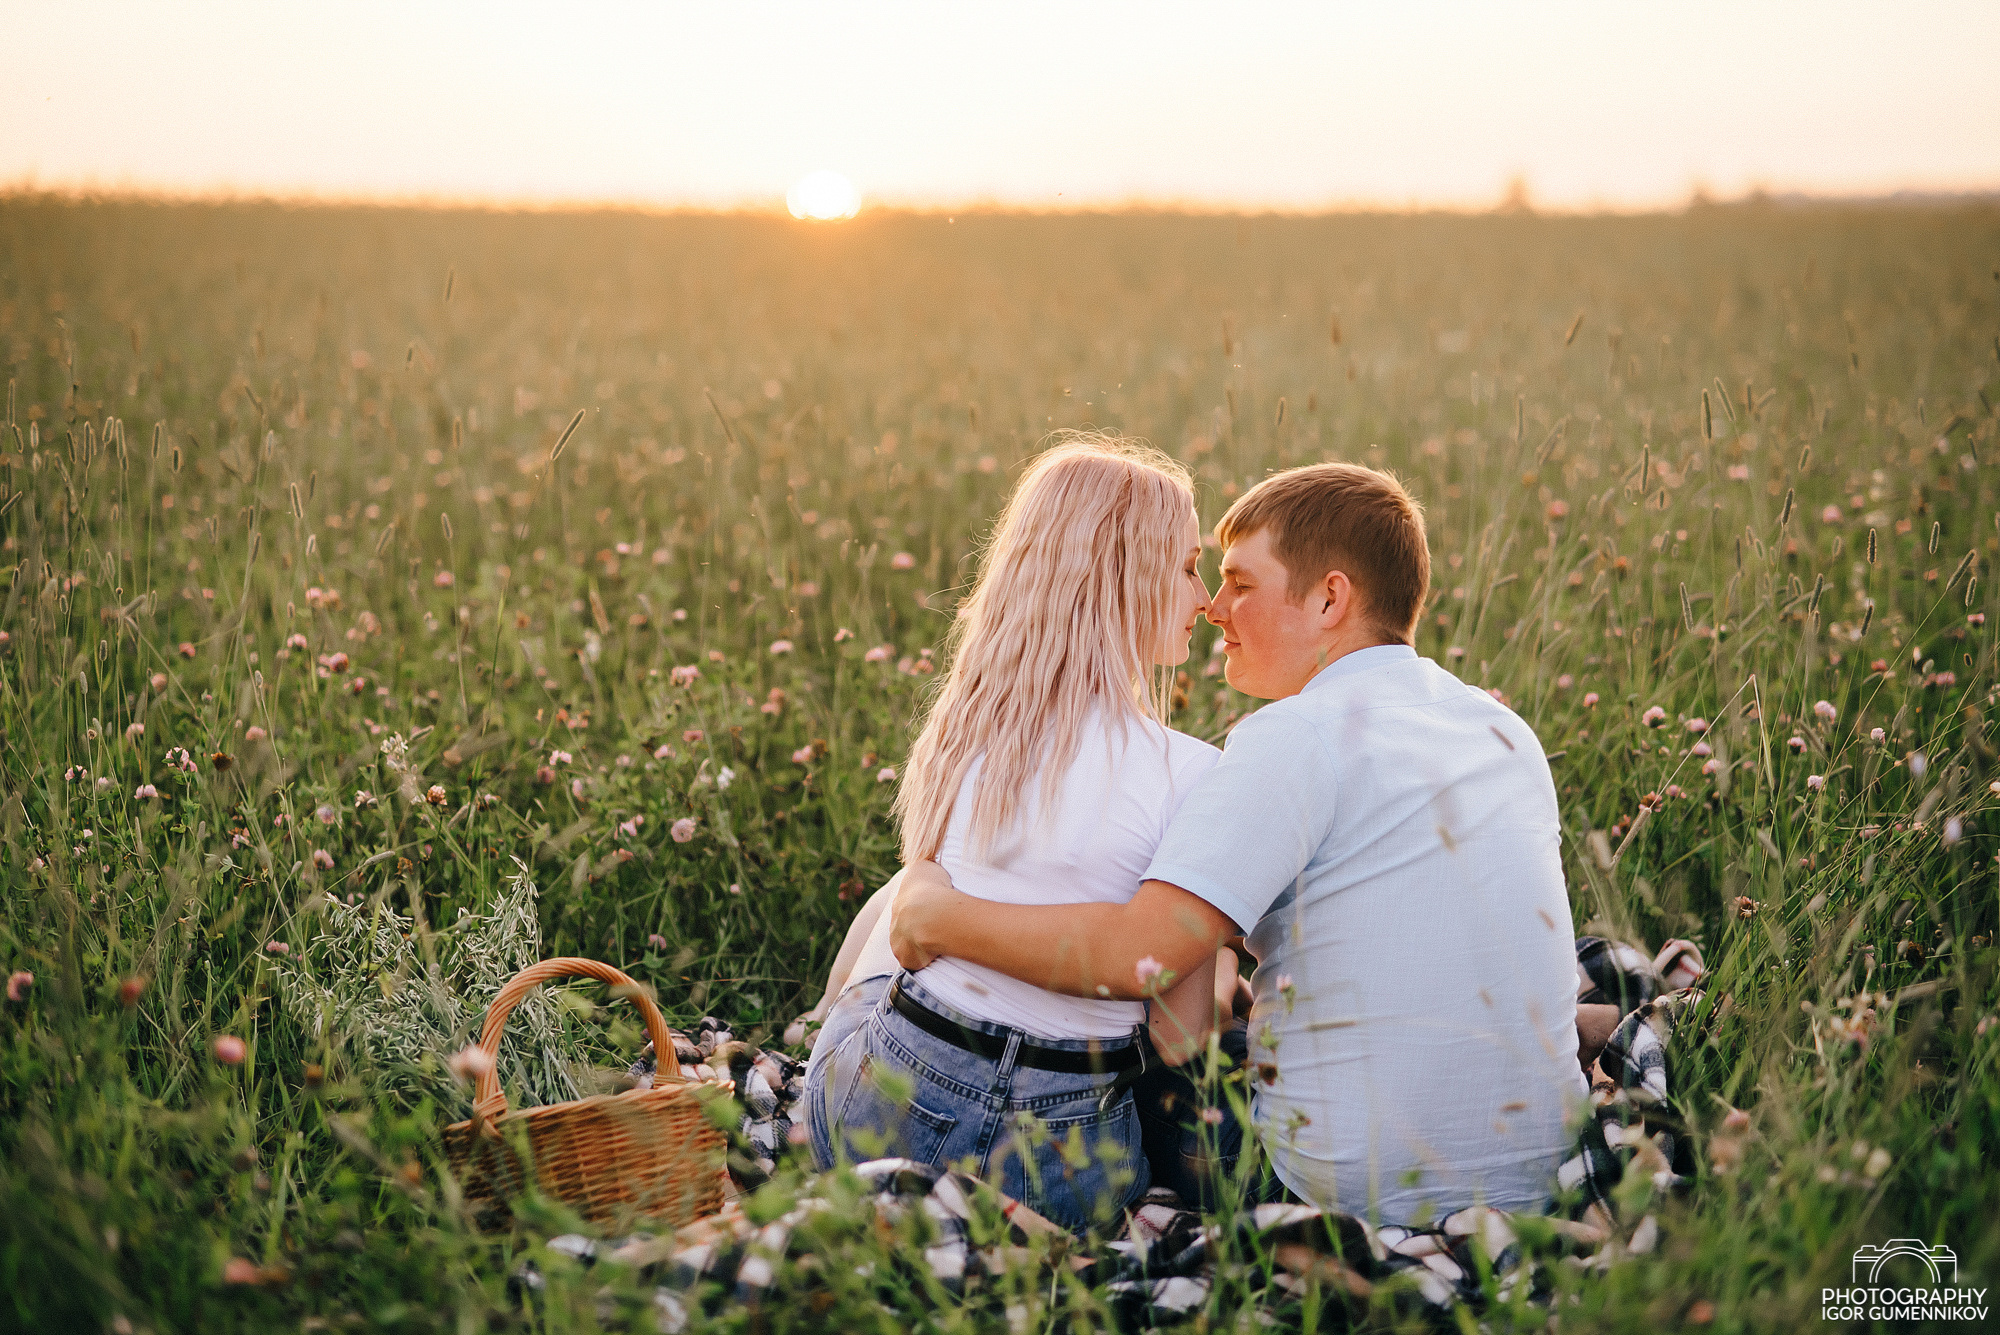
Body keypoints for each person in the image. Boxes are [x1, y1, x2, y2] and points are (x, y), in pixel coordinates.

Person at [890, 462, 1594, 1226]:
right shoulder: (1499, 727)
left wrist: (934, 912)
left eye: (1239, 582)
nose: (1215, 607)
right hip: (1539, 1171)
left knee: (1153, 1062)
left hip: (1331, 1193)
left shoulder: (1297, 738)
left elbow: (1142, 963)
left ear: (1330, 598)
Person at [801, 432, 1235, 1233]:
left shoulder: (973, 727)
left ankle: (814, 1027)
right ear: (1126, 578)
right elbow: (1180, 1037)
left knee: (905, 896)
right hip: (1066, 1164)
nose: (1203, 596)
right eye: (1185, 566)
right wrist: (1220, 947)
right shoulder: (1194, 774)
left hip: (885, 1111)